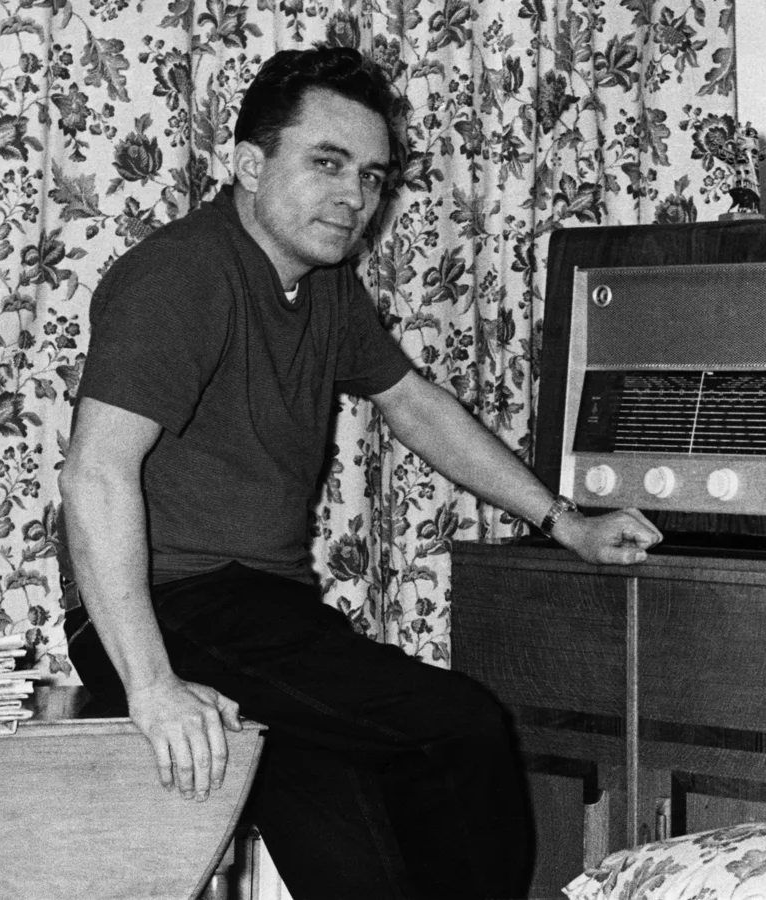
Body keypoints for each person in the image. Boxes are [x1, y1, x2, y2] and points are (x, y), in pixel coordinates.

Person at [58, 46, 661, 900]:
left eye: (372, 177)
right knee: (461, 725)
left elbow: (414, 405)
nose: (354, 197)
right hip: (170, 606)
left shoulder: (326, 286)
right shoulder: (182, 276)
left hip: (262, 613)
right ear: (249, 165)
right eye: (327, 163)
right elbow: (94, 475)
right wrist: (151, 686)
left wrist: (565, 523)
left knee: (360, 873)